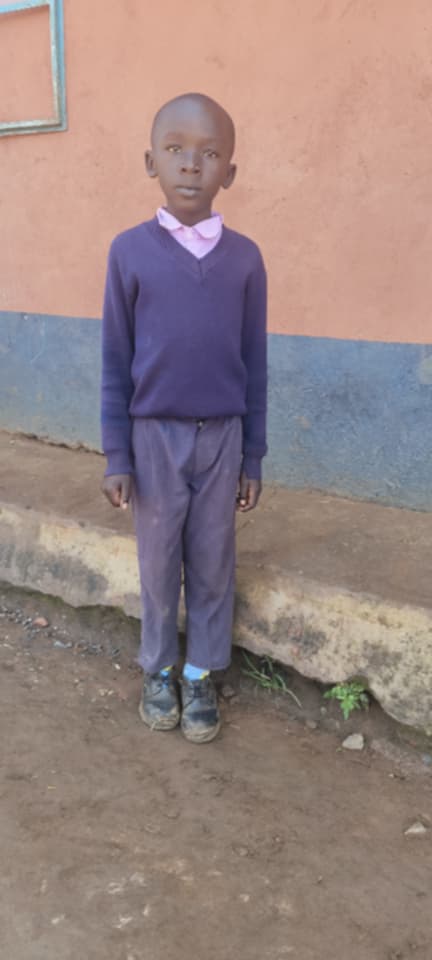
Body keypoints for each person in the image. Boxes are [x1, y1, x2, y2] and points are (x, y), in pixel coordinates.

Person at [101, 92, 267, 743]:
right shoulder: (129, 252)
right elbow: (116, 360)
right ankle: (158, 669)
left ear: (230, 171)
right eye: (175, 150)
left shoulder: (245, 259)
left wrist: (253, 455)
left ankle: (200, 673)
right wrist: (117, 455)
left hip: (223, 438)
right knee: (157, 561)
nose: (191, 165)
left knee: (213, 558)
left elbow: (254, 360)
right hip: (153, 439)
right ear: (151, 162)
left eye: (209, 153)